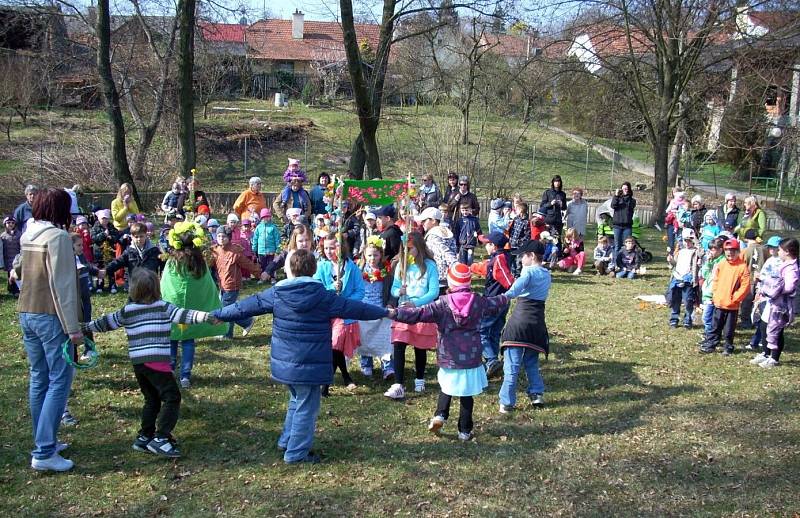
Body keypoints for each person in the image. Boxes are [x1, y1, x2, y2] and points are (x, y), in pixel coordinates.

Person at [210, 249, 392, 464]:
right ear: (313, 270)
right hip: (310, 364)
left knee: (297, 400)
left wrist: (219, 315)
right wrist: (385, 312)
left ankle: (287, 440)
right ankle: (296, 453)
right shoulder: (324, 296)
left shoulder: (276, 293)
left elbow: (245, 306)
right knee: (306, 406)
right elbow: (357, 309)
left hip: (285, 362)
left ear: (289, 269)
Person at [83, 268, 210, 458]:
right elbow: (185, 315)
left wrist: (83, 328)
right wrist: (208, 316)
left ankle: (145, 436)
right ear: (156, 287)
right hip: (157, 361)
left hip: (139, 363)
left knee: (151, 399)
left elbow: (106, 322)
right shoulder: (163, 307)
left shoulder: (128, 311)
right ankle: (161, 439)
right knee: (172, 397)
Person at [395, 263, 509, 441]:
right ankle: (464, 431)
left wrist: (393, 313)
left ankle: (440, 415)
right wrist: (509, 295)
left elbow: (417, 314)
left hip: (448, 355)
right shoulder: (478, 301)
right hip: (471, 356)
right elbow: (496, 303)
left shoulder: (441, 304)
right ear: (469, 282)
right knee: (466, 394)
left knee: (447, 386)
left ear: (450, 281)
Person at [16, 188, 83, 471]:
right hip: (50, 316)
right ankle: (44, 451)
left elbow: (18, 269)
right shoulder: (57, 238)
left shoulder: (28, 233)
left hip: (26, 312)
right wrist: (73, 328)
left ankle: (45, 441)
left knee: (39, 378)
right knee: (60, 378)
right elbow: (63, 286)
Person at [160, 221, 227, 388]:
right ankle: (185, 376)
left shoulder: (172, 261)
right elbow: (207, 285)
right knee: (188, 341)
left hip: (173, 309)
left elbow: (165, 284)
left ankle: (169, 371)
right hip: (192, 313)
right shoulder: (199, 261)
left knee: (172, 339)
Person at [384, 232, 440, 399]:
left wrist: (416, 303)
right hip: (403, 309)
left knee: (419, 346)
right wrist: (398, 291)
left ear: (419, 247)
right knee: (398, 344)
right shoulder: (401, 265)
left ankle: (420, 378)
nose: (408, 251)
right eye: (405, 249)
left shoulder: (429, 266)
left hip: (420, 310)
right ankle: (399, 383)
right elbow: (394, 288)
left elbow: (434, 291)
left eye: (411, 248)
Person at [498, 239, 551, 412]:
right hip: (537, 323)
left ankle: (506, 402)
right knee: (531, 362)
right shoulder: (546, 274)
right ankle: (537, 394)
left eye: (522, 256)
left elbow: (513, 292)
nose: (520, 260)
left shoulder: (528, 273)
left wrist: (498, 299)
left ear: (532, 256)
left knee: (512, 365)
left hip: (519, 324)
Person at [314, 233, 364, 391]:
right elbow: (316, 287)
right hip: (326, 312)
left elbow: (360, 291)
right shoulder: (321, 266)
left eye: (332, 247)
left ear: (341, 247)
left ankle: (326, 384)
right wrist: (330, 288)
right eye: (326, 248)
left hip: (343, 313)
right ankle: (345, 376)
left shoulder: (351, 267)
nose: (329, 251)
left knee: (335, 343)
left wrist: (345, 302)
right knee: (334, 347)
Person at [471, 231, 513, 378]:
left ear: (493, 246)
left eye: (487, 244)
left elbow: (505, 278)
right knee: (494, 331)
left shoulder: (499, 259)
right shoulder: (501, 256)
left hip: (494, 301)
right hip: (502, 301)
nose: (485, 247)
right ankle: (494, 362)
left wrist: (511, 289)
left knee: (480, 330)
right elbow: (488, 268)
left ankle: (491, 360)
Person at [750, 238, 798, 368]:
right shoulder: (783, 263)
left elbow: (789, 287)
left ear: (787, 251)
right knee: (765, 326)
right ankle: (766, 353)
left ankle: (774, 358)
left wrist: (774, 284)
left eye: (780, 250)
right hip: (772, 301)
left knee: (776, 330)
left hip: (781, 305)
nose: (778, 251)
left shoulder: (791, 268)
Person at [211, 225, 265, 339]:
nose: (221, 239)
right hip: (222, 284)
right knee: (228, 308)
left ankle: (227, 334)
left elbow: (247, 264)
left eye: (224, 237)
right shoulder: (215, 250)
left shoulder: (235, 251)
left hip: (232, 284)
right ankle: (246, 322)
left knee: (227, 310)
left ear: (229, 238)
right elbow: (209, 263)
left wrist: (259, 273)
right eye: (219, 236)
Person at [700, 239, 751, 355]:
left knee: (728, 329)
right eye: (727, 250)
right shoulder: (722, 264)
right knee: (715, 326)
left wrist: (735, 298)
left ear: (738, 251)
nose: (730, 253)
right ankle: (711, 344)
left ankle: (728, 346)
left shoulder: (742, 267)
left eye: (732, 251)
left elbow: (745, 286)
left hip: (732, 306)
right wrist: (715, 294)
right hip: (719, 302)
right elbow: (716, 280)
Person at [358, 237, 395, 380]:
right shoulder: (360, 270)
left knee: (384, 338)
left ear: (381, 255)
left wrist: (390, 303)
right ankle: (366, 363)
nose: (372, 258)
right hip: (364, 308)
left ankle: (387, 365)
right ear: (364, 255)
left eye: (376, 255)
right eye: (369, 255)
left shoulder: (386, 272)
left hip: (381, 308)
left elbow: (392, 290)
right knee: (365, 337)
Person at [747, 235, 783, 352]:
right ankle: (760, 343)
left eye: (774, 247)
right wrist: (758, 288)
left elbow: (778, 280)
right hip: (764, 293)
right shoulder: (769, 260)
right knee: (761, 321)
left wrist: (762, 278)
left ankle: (769, 347)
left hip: (775, 296)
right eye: (770, 247)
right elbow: (762, 275)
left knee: (770, 323)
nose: (771, 249)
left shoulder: (782, 262)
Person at [416, 207, 457, 294]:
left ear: (433, 220)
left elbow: (445, 252)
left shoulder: (433, 236)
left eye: (424, 220)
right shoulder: (447, 232)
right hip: (448, 276)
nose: (422, 223)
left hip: (437, 276)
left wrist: (454, 263)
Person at [667, 229, 700, 328]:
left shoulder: (696, 251)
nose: (688, 243)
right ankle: (674, 318)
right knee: (675, 299)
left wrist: (696, 240)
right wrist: (671, 260)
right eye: (685, 241)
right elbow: (674, 264)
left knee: (688, 301)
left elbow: (702, 254)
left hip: (688, 279)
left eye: (690, 241)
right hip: (677, 277)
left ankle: (688, 320)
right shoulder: (680, 251)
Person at [699, 237, 726, 341]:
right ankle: (709, 335)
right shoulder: (712, 260)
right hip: (707, 292)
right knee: (708, 317)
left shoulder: (722, 261)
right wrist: (708, 262)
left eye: (713, 249)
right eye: (710, 249)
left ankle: (710, 337)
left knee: (707, 318)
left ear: (720, 250)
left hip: (713, 294)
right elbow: (705, 274)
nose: (710, 252)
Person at [740, 229, 766, 328]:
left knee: (747, 301)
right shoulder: (764, 249)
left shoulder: (745, 251)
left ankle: (746, 321)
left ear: (746, 239)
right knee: (760, 301)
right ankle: (758, 321)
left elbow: (740, 265)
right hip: (761, 279)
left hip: (749, 279)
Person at [91, 209, 121, 293]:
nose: (105, 220)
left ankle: (112, 285)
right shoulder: (95, 227)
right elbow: (93, 238)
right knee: (100, 269)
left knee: (110, 268)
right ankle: (100, 286)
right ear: (99, 219)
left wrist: (112, 237)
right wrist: (104, 234)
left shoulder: (111, 227)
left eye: (106, 218)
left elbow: (117, 236)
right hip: (99, 253)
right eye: (103, 219)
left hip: (109, 252)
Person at [252, 208, 281, 283]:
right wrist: (254, 249)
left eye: (268, 216)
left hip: (271, 250)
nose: (266, 218)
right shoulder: (258, 227)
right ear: (261, 218)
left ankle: (272, 277)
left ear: (270, 217)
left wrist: (278, 249)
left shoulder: (273, 227)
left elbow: (277, 239)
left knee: (271, 264)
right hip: (261, 250)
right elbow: (255, 238)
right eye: (264, 217)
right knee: (262, 265)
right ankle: (262, 278)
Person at [611, 182, 636, 260]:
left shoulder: (632, 200)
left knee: (628, 245)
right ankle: (616, 263)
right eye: (623, 188)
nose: (625, 190)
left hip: (627, 226)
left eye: (626, 189)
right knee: (617, 245)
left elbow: (630, 206)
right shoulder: (617, 198)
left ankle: (626, 262)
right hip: (617, 226)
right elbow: (613, 206)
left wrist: (626, 197)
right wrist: (616, 195)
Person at [454, 201, 482, 265]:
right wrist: (457, 244)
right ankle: (464, 271)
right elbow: (457, 232)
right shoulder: (459, 221)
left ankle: (469, 270)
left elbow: (478, 231)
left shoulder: (474, 220)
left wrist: (480, 241)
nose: (464, 212)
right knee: (462, 260)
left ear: (470, 210)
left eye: (466, 210)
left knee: (469, 259)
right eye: (463, 210)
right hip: (462, 244)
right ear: (460, 210)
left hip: (471, 243)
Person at [540, 175, 567, 239]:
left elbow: (564, 207)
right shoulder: (547, 192)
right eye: (555, 181)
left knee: (556, 239)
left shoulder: (563, 194)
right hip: (549, 218)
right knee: (547, 238)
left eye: (558, 181)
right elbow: (542, 205)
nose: (557, 183)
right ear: (553, 182)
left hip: (558, 220)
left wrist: (561, 204)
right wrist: (551, 203)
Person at [508, 201, 530, 277]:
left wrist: (520, 241)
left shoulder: (526, 222)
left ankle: (518, 275)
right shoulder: (516, 219)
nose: (515, 211)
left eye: (516, 209)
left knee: (518, 261)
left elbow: (527, 235)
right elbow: (512, 230)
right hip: (512, 244)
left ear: (520, 210)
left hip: (519, 246)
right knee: (510, 260)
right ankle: (511, 274)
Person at [2, 216, 21, 296]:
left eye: (12, 223)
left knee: (16, 274)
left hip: (16, 258)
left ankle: (16, 290)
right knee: (10, 274)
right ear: (5, 224)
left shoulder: (19, 234)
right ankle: (11, 289)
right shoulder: (3, 236)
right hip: (7, 258)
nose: (10, 224)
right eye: (8, 222)